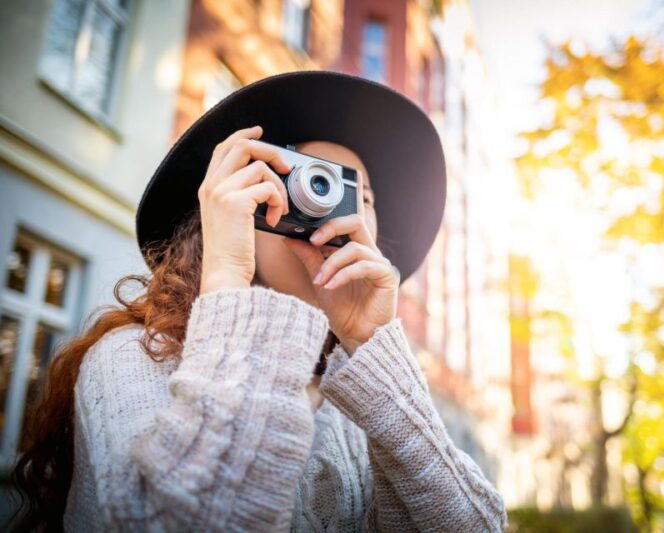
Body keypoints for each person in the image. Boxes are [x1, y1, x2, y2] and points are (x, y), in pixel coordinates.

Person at [10, 71, 508, 531]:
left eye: (361, 196)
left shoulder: (358, 412)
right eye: (311, 180)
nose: (339, 211)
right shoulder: (130, 359)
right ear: (243, 200)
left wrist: (374, 346)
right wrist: (227, 275)